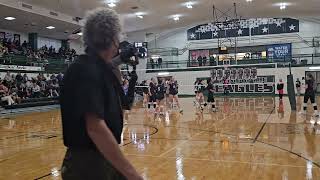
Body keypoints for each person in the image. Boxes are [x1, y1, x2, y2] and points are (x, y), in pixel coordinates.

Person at [60, 8, 143, 180]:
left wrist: (119, 61)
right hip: (88, 163)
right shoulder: (85, 69)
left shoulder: (92, 67)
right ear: (112, 39)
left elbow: (122, 99)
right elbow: (95, 128)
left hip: (102, 155)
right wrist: (132, 174)